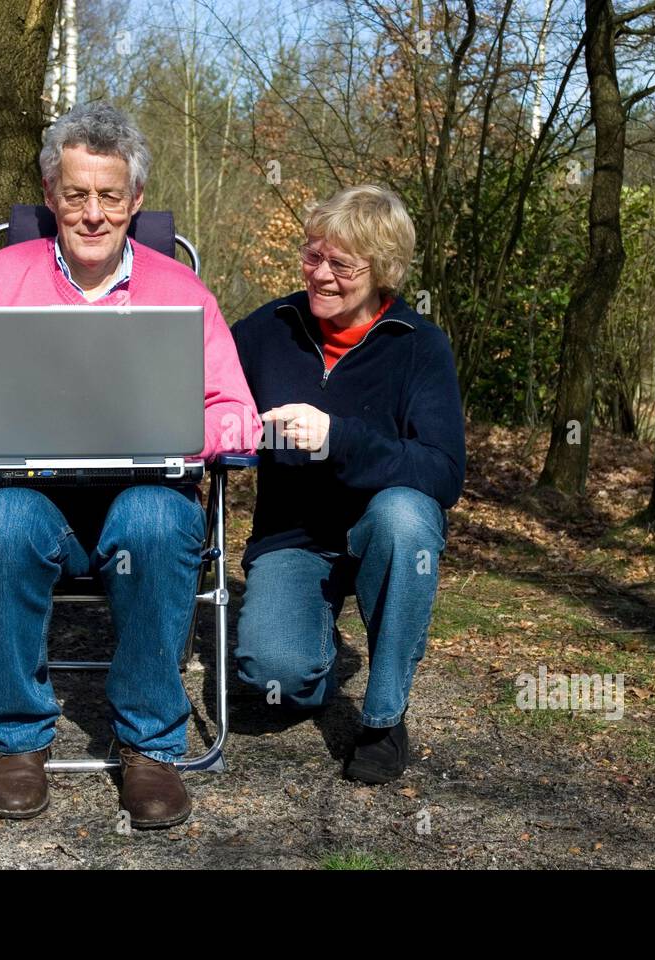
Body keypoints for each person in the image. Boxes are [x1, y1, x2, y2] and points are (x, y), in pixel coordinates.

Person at [0, 103, 260, 826]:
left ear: (136, 201)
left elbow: (238, 417)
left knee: (157, 518)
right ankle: (16, 740)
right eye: (75, 194)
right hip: (32, 499)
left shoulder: (182, 293)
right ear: (49, 193)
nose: (93, 214)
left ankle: (151, 745)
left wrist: (188, 431)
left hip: (145, 497)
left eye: (110, 196)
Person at [229, 184, 465, 783]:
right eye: (313, 256)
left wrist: (339, 436)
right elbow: (207, 398)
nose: (321, 275)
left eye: (341, 264)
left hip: (379, 531)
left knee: (405, 515)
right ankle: (316, 642)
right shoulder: (268, 328)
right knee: (276, 681)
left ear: (382, 270)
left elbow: (442, 470)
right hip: (294, 537)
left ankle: (384, 719)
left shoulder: (419, 346)